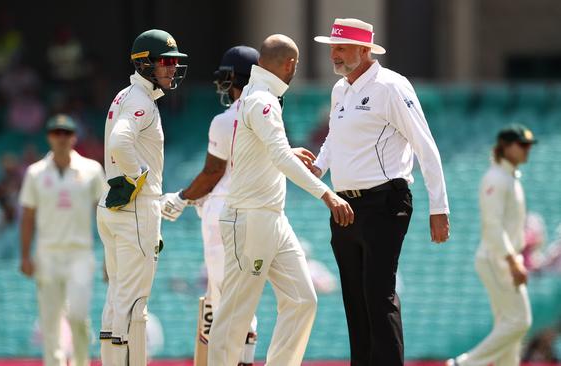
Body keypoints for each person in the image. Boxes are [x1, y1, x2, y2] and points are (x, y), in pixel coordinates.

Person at [207, 34, 353, 366]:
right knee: (236, 312)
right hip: (250, 217)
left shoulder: (263, 97)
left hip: (272, 217)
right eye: (295, 66)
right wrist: (327, 194)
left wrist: (288, 151)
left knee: (303, 299)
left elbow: (273, 152)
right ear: (290, 65)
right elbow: (280, 159)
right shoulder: (262, 100)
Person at [312, 18, 450, 365]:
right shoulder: (341, 89)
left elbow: (425, 145)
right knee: (355, 300)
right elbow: (334, 138)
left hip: (384, 201)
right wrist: (316, 168)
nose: (335, 55)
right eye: (333, 48)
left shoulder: (391, 86)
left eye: (341, 47)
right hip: (344, 206)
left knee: (377, 294)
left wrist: (439, 208)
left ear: (364, 50)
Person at [159, 45, 260, 366]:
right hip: (256, 215)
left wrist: (182, 198)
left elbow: (213, 172)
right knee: (245, 301)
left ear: (231, 79)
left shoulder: (225, 119)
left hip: (223, 216)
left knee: (221, 300)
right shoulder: (270, 116)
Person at [96, 29, 187, 366]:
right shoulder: (140, 101)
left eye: (175, 62)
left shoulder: (125, 95)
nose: (173, 69)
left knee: (117, 296)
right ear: (145, 63)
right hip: (136, 207)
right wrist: (138, 178)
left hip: (115, 207)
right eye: (166, 62)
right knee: (134, 303)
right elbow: (120, 142)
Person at [19, 114, 105, 366]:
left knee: (78, 315)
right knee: (50, 321)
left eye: (66, 133)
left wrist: (110, 255)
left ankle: (80, 362)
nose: (61, 138)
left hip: (80, 253)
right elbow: (28, 215)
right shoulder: (35, 173)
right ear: (49, 137)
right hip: (47, 254)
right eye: (56, 133)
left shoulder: (91, 170)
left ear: (74, 137)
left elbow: (104, 212)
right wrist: (25, 255)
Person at [447, 124, 536, 366]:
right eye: (522, 145)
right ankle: (463, 364)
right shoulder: (495, 178)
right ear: (505, 147)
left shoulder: (508, 177)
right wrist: (511, 260)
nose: (527, 150)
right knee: (520, 321)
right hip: (497, 259)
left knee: (509, 326)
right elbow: (493, 225)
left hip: (503, 258)